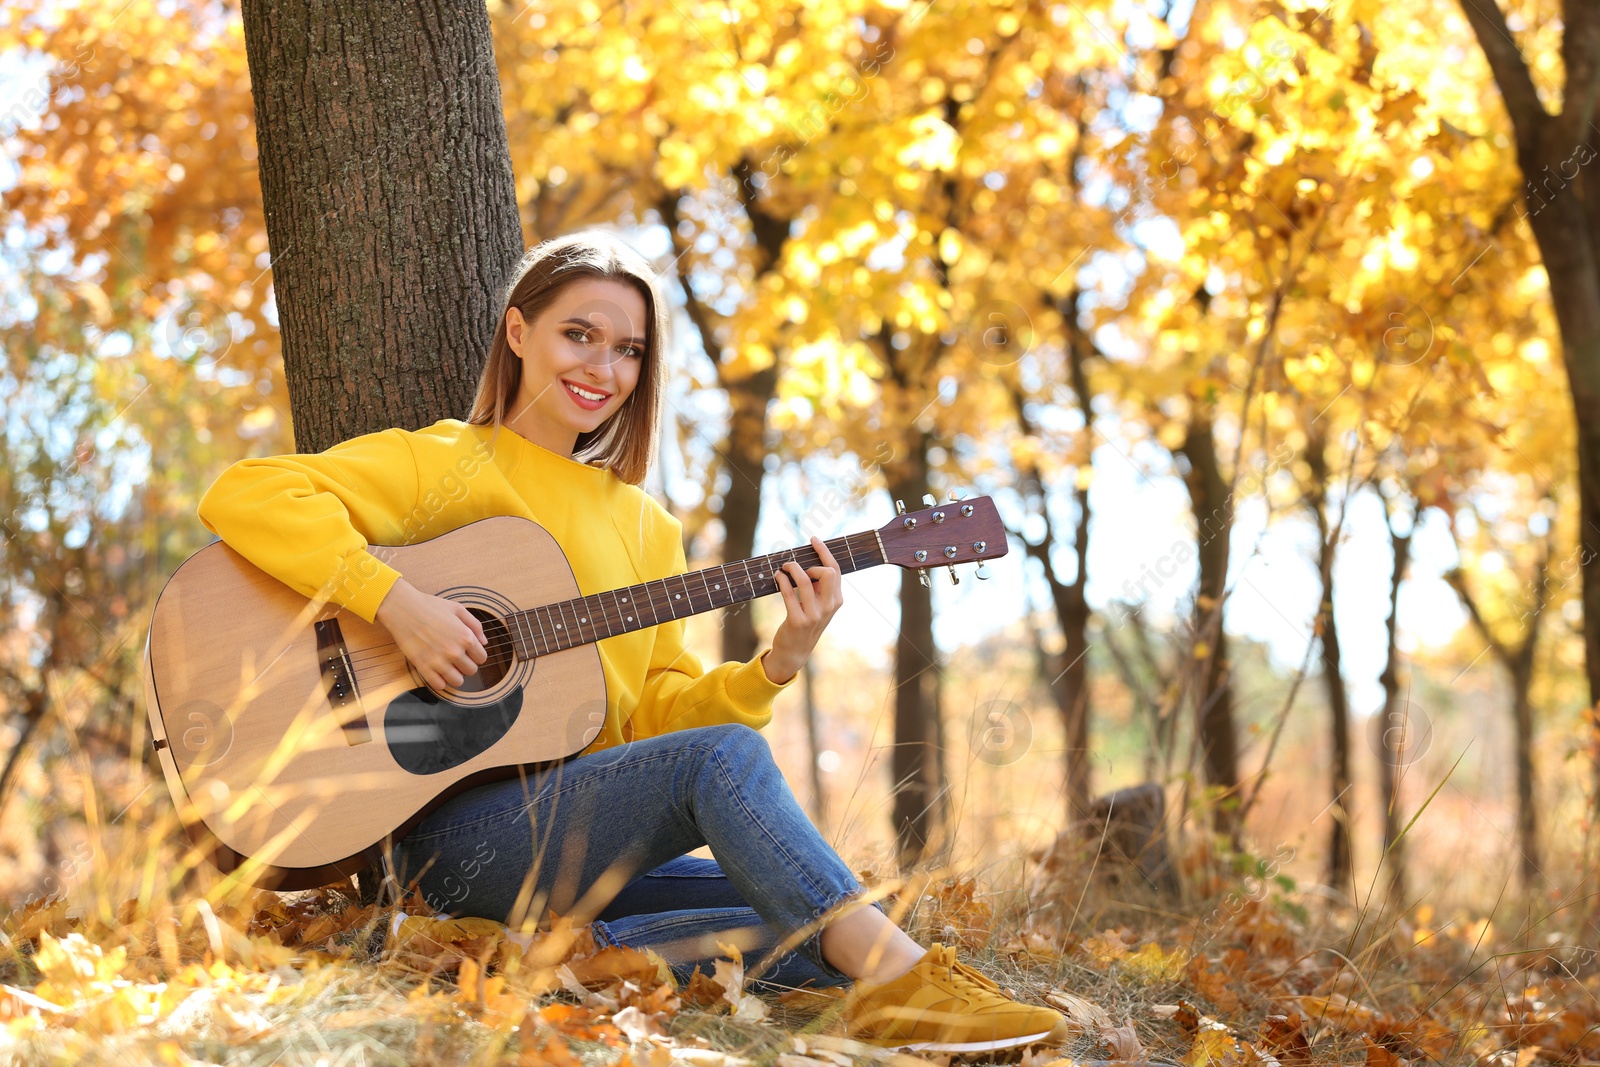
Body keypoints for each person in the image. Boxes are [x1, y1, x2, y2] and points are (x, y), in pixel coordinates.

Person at [196, 230, 1068, 1053]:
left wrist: (780, 663)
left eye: (629, 350)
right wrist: (398, 604)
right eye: (580, 334)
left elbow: (652, 715)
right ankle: (907, 990)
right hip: (433, 839)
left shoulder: (647, 528)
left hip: (571, 843)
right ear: (517, 330)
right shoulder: (443, 462)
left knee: (822, 905)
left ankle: (563, 957)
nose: (603, 367)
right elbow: (247, 494)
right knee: (759, 816)